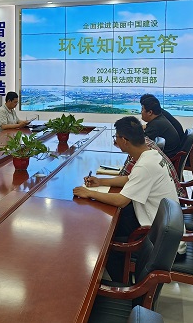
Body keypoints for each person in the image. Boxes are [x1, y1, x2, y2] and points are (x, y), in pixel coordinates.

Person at [73, 116, 184, 280]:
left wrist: (89, 193)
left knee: (104, 240)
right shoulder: (151, 154)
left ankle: (121, 285)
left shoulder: (145, 166)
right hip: (162, 227)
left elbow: (121, 200)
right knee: (108, 222)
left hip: (162, 243)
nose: (115, 140)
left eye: (116, 137)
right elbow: (130, 179)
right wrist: (101, 181)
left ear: (124, 140)